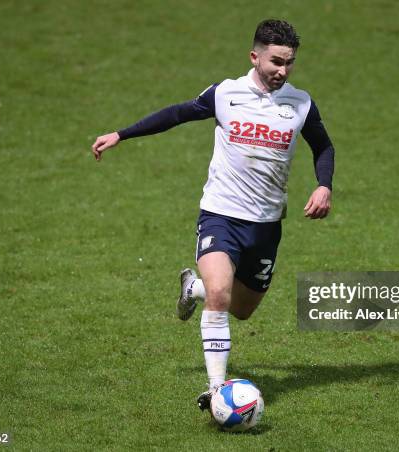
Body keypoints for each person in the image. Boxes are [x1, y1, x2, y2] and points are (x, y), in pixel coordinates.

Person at [92, 19, 335, 412]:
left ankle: (194, 289)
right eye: (275, 61)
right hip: (220, 214)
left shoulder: (300, 103)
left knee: (241, 308)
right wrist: (122, 134)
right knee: (221, 294)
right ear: (254, 56)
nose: (282, 71)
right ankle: (216, 388)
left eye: (289, 63)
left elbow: (324, 147)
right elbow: (176, 114)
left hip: (267, 224)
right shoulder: (226, 93)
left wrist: (324, 185)